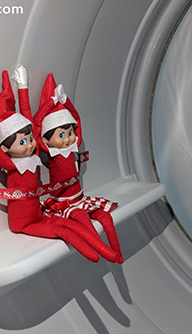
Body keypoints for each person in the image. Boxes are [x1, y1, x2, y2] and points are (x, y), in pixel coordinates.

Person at [0, 68, 119, 263]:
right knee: (66, 230)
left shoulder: (35, 156)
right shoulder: (11, 164)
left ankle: (112, 255)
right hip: (23, 223)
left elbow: (32, 120)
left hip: (41, 211)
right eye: (23, 142)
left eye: (30, 139)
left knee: (76, 225)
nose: (30, 145)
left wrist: (25, 86)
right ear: (4, 148)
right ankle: (100, 256)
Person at [33, 73, 123, 263]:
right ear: (46, 139)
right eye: (61, 135)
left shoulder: (74, 145)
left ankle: (117, 254)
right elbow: (36, 127)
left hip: (80, 198)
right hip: (63, 203)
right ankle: (103, 252)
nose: (67, 139)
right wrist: (50, 103)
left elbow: (77, 120)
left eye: (69, 133)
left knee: (106, 217)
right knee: (82, 218)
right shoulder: (50, 151)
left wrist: (65, 100)